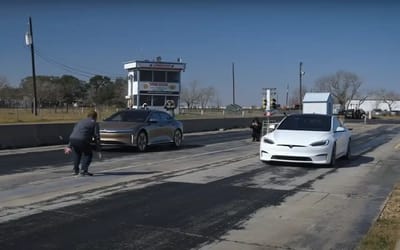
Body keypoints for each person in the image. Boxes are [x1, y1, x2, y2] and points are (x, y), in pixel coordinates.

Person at [64, 110, 100, 176]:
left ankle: (75, 170)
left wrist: (69, 146)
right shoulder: (94, 123)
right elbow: (96, 136)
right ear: (95, 117)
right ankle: (84, 170)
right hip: (82, 140)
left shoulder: (81, 121)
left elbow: (75, 132)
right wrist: (97, 147)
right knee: (88, 154)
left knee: (77, 154)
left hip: (72, 138)